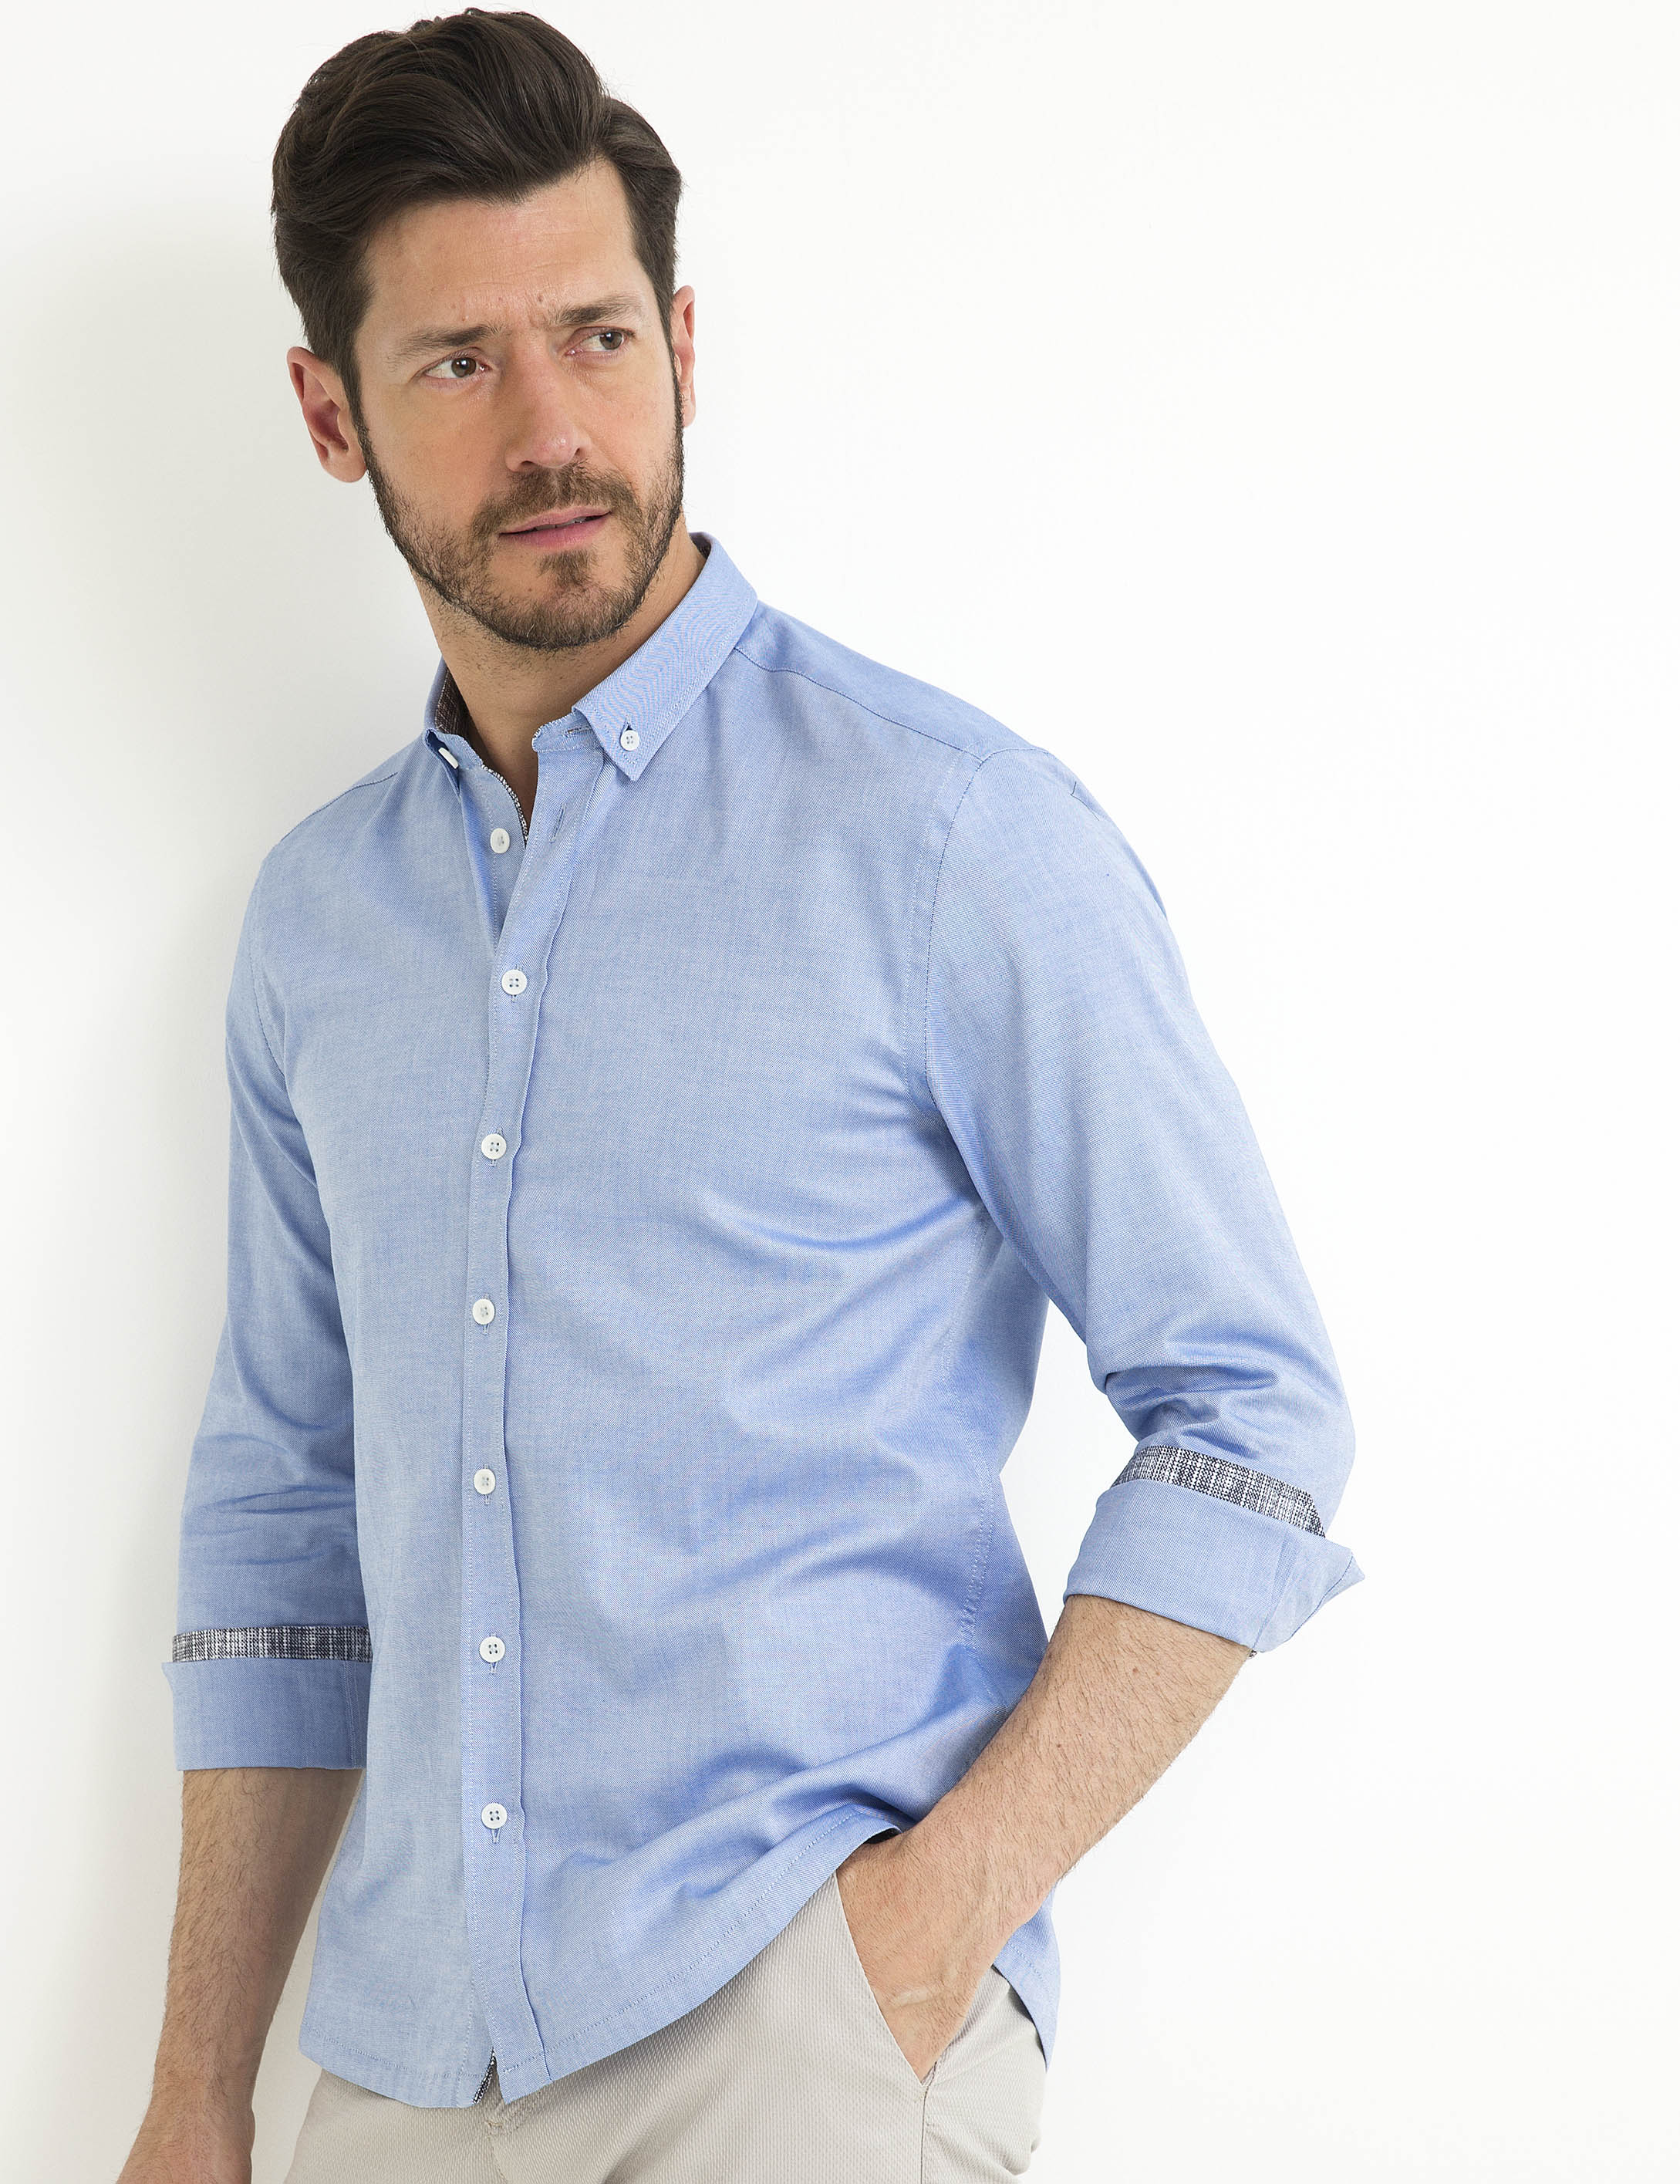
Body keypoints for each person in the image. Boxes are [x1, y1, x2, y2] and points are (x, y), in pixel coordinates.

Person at [119, 12, 1362, 2182]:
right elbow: (285, 1515)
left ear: (683, 342)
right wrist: (197, 2096)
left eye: (598, 338)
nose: (553, 431)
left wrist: (924, 1941)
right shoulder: (318, 925)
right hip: (397, 2069)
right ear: (331, 415)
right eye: (458, 363)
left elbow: (1251, 1416)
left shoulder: (950, 832)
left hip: (799, 2040)